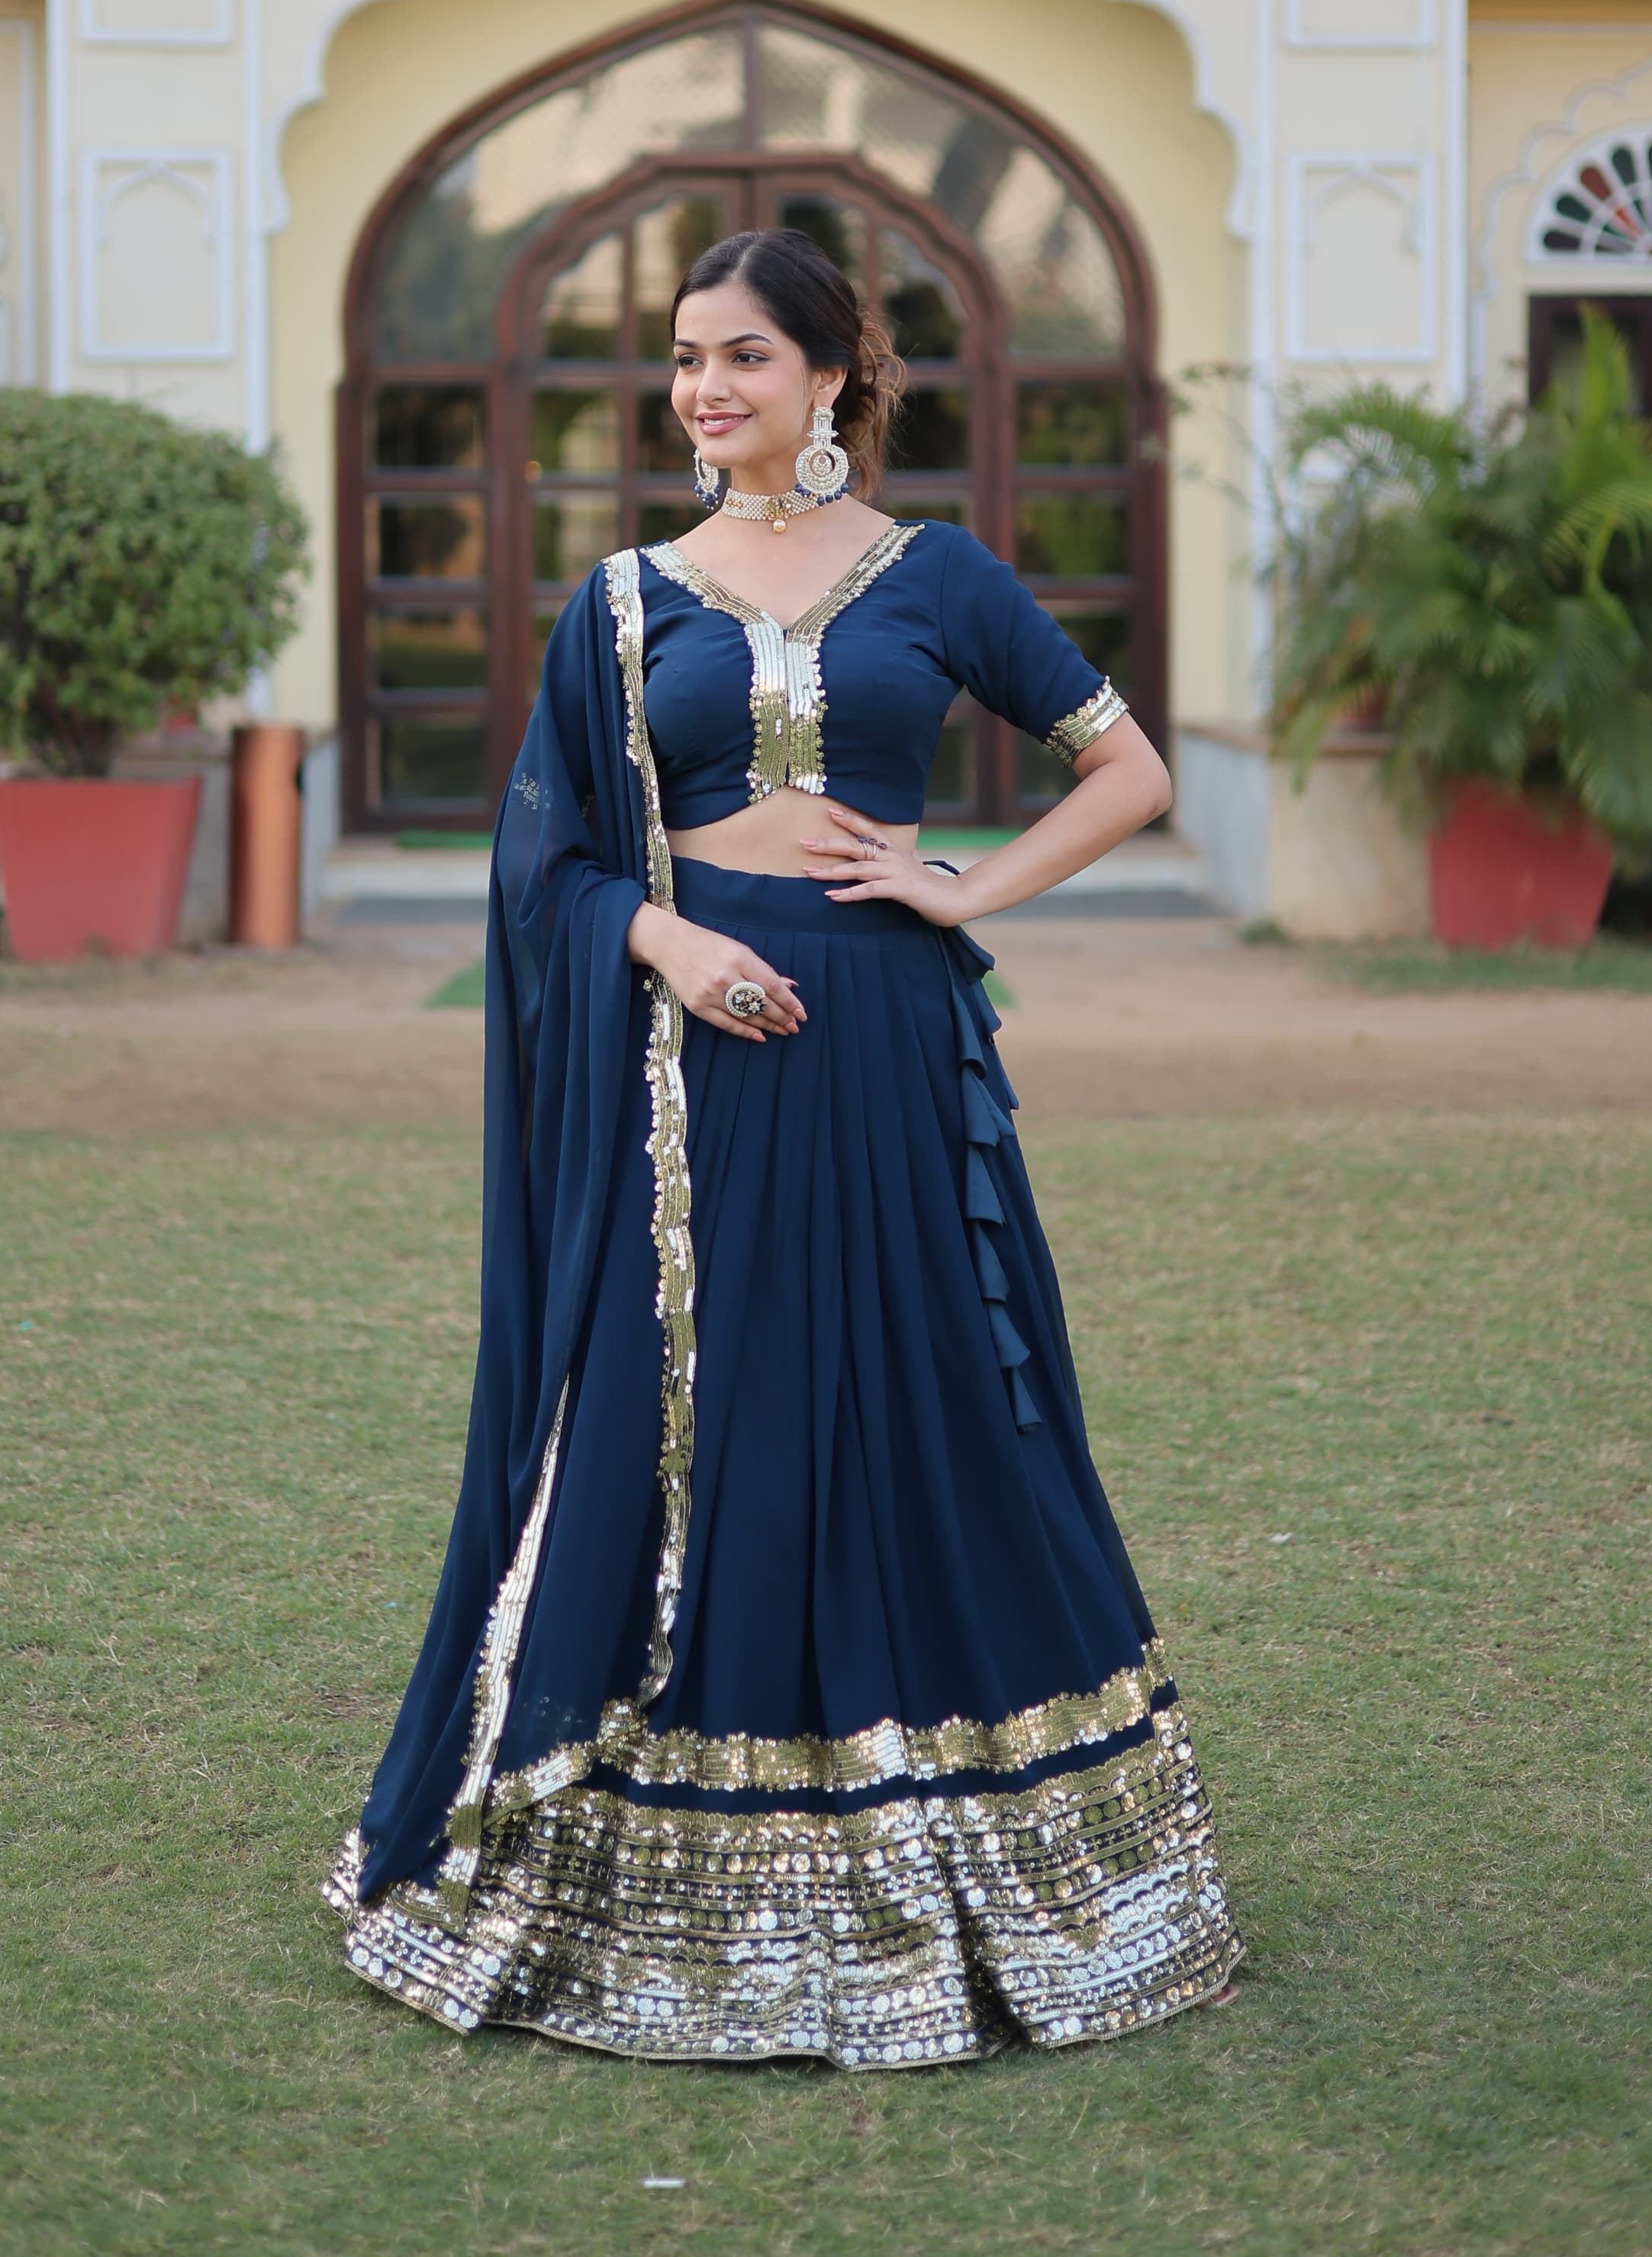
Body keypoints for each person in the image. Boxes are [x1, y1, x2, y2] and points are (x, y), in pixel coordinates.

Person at [325, 226, 1240, 2065]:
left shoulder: (939, 574)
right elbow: (545, 860)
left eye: (744, 355)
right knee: (715, 1397)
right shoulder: (626, 602)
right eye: (682, 359)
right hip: (701, 1060)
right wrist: (664, 942)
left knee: (921, 1394)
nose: (705, 390)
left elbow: (1130, 769)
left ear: (831, 374)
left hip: (890, 1040)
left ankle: (971, 1798)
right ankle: (658, 1789)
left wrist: (959, 882)